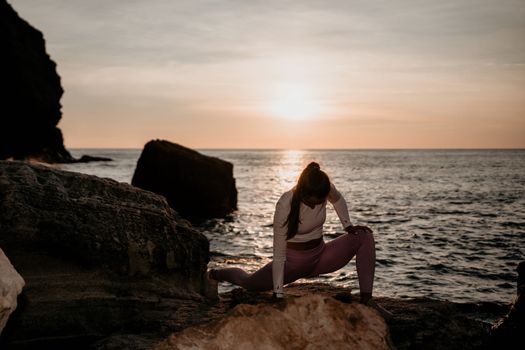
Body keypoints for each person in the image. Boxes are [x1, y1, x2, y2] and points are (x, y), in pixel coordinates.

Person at [206, 162, 391, 317]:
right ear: (302, 192)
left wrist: (348, 226)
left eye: (320, 201)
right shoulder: (285, 204)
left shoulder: (323, 188)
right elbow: (279, 255)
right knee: (248, 282)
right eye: (312, 201)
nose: (316, 205)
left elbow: (338, 200)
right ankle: (214, 274)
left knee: (364, 236)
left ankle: (367, 300)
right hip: (291, 265)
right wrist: (278, 294)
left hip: (321, 257)